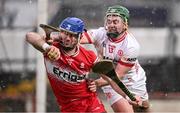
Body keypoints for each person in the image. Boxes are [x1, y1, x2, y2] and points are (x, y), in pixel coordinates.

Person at [26, 17, 106, 113]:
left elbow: (107, 74)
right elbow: (29, 36)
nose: (67, 38)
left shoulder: (89, 56)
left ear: (80, 37)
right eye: (65, 33)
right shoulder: (51, 49)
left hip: (92, 104)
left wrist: (95, 81)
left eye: (72, 35)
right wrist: (47, 48)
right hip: (69, 108)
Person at [80, 5, 150, 113]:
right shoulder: (100, 33)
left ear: (125, 24)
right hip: (109, 79)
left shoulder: (131, 46)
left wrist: (97, 83)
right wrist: (60, 36)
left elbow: (118, 76)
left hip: (132, 80)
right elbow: (78, 38)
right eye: (109, 21)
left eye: (115, 22)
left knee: (143, 109)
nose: (111, 25)